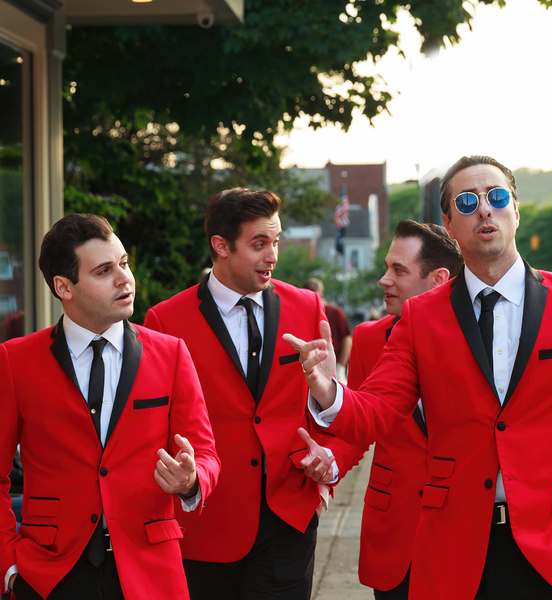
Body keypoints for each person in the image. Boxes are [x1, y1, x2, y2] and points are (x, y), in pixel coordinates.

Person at [285, 155, 552, 600]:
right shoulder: (420, 316)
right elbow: (376, 407)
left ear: (516, 209)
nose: (484, 209)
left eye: (496, 196)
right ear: (450, 226)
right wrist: (327, 390)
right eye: (468, 202)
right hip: (451, 548)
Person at [144, 188, 359, 600]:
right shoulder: (165, 319)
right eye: (259, 244)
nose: (272, 255)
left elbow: (331, 408)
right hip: (206, 520)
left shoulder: (308, 306)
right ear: (220, 246)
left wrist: (326, 459)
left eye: (276, 241)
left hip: (288, 518)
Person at [0, 214, 220, 600]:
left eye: (124, 263)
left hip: (150, 569)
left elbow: (205, 453)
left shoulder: (171, 353)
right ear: (64, 287)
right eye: (104, 271)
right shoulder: (15, 361)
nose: (124, 279)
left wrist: (191, 481)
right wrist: (10, 566)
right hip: (50, 573)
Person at [348, 220, 462, 599]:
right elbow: (357, 429)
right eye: (386, 267)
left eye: (398, 270)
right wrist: (326, 462)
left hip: (465, 530)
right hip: (395, 528)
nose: (384, 279)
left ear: (439, 278)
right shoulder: (367, 339)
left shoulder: (480, 340)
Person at [303, 278, 352, 383]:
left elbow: (346, 339)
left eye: (314, 289)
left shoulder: (335, 312)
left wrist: (340, 366)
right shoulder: (303, 313)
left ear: (322, 291)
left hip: (333, 366)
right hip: (311, 367)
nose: (312, 292)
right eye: (308, 289)